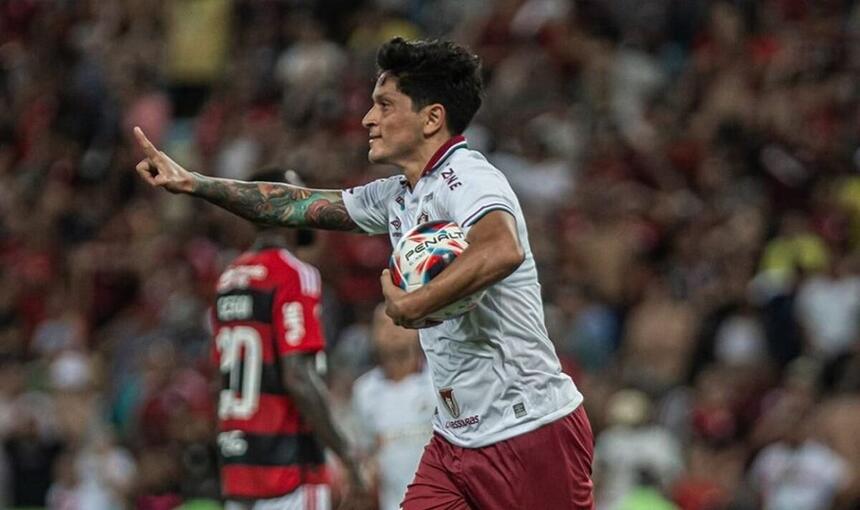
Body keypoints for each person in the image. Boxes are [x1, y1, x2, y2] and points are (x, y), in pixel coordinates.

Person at [133, 37, 595, 508]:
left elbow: (503, 248)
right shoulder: (397, 196)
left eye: (384, 105)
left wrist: (411, 304)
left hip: (532, 430)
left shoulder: (469, 178)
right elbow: (294, 204)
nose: (367, 119)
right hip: (455, 443)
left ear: (432, 118)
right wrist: (196, 183)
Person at [210, 169, 370, 510]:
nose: (308, 204)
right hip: (289, 468)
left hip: (239, 466)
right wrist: (346, 453)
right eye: (299, 196)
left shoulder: (228, 279)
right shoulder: (295, 274)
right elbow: (298, 376)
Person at [351, 305, 435, 510]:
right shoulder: (364, 391)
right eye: (383, 324)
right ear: (372, 334)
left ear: (417, 328)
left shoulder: (438, 381)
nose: (392, 329)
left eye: (400, 321)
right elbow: (365, 453)